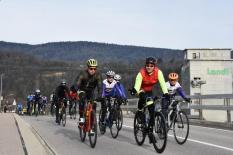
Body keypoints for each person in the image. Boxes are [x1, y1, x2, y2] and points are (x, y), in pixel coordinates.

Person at [130, 57, 169, 143]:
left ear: (154, 66)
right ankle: (139, 113)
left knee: (152, 110)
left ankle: (150, 131)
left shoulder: (158, 72)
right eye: (147, 65)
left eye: (151, 65)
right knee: (144, 99)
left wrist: (166, 93)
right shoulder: (141, 73)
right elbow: (137, 84)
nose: (149, 67)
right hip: (141, 90)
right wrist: (134, 90)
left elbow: (163, 84)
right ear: (145, 65)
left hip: (149, 91)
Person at [73, 58, 102, 129]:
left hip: (91, 91)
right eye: (91, 68)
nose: (93, 70)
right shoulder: (83, 73)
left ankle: (92, 123)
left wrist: (100, 95)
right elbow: (77, 83)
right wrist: (75, 89)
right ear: (88, 68)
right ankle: (81, 118)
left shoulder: (98, 75)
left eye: (95, 69)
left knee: (94, 104)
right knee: (82, 100)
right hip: (82, 90)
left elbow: (100, 87)